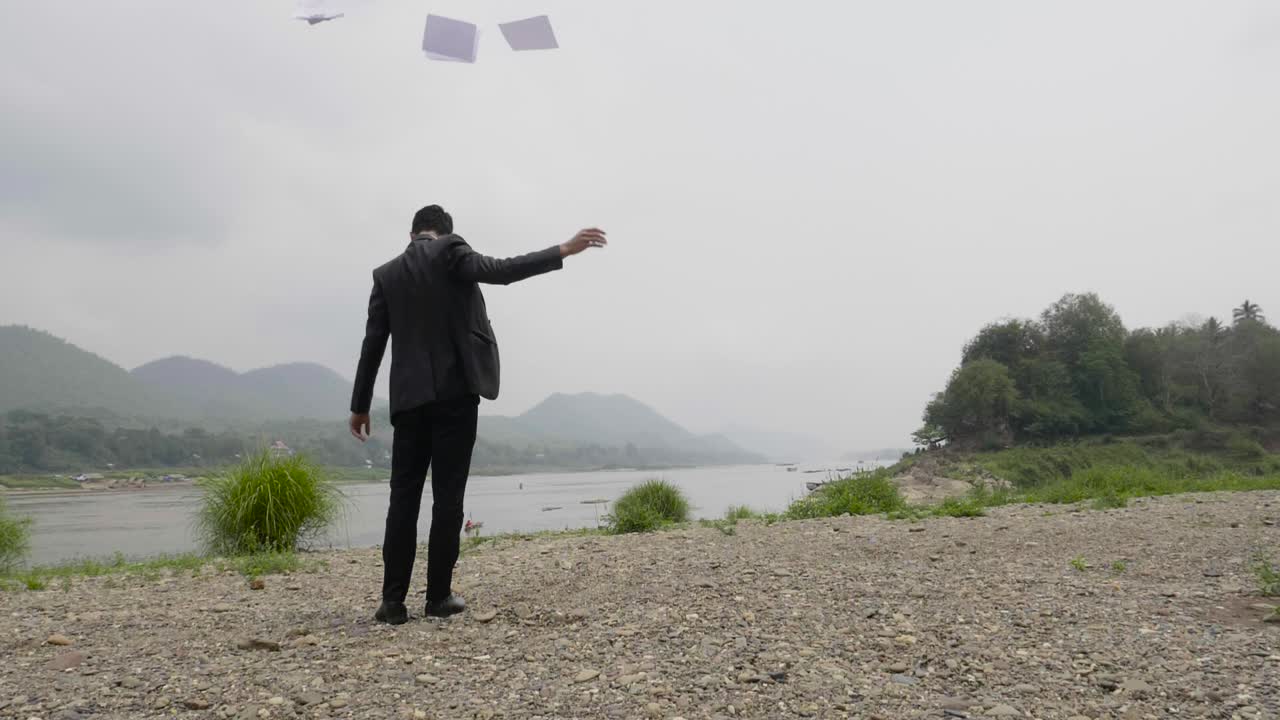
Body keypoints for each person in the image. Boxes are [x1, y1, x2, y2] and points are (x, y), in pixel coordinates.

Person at [348, 205, 606, 625]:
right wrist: (565, 248)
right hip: (455, 396)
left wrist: (360, 405)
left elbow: (372, 344)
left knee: (403, 499)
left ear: (412, 234)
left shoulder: (386, 275)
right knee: (448, 499)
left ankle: (392, 603)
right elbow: (502, 269)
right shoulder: (452, 250)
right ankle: (438, 598)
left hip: (408, 402)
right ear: (444, 232)